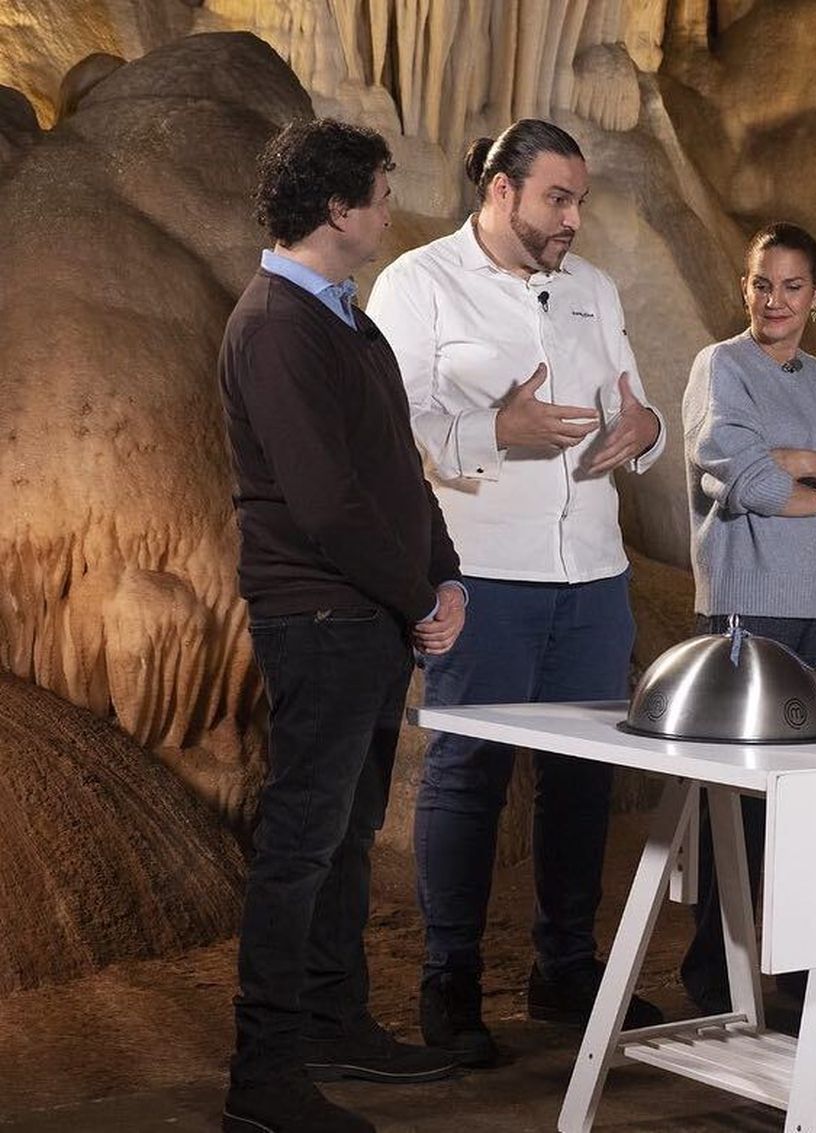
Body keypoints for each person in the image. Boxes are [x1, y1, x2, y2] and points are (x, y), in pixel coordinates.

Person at [366, 118, 667, 1067]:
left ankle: (565, 970)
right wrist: (497, 430)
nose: (573, 218)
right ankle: (449, 980)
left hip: (594, 574)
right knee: (468, 773)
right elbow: (389, 427)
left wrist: (647, 432)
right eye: (556, 199)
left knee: (584, 777)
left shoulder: (594, 290)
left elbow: (635, 407)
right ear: (501, 190)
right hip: (484, 571)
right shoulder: (418, 283)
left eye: (579, 201)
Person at [219, 118, 465, 1133]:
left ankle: (332, 1018)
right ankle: (264, 1077)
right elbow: (325, 504)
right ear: (337, 209)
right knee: (299, 845)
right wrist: (418, 598)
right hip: (319, 616)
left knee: (346, 835)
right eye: (380, 193)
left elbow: (398, 468)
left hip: (365, 615)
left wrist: (446, 575)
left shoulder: (344, 321)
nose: (389, 210)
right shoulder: (278, 325)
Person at [679, 221, 816, 1015]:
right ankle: (716, 972)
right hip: (749, 609)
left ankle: (804, 968)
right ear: (746, 288)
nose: (775, 300)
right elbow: (743, 474)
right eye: (762, 284)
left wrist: (803, 461)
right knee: (736, 808)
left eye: (792, 286)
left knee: (812, 807)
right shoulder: (722, 366)